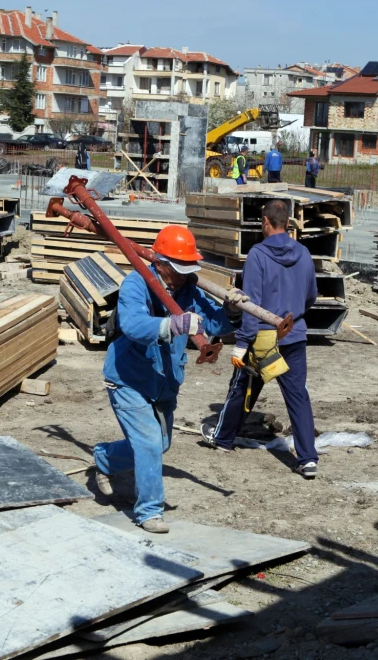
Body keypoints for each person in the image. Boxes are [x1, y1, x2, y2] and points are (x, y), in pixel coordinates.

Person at [93, 225, 248, 533]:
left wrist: (231, 312)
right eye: (179, 268)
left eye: (189, 268)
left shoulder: (188, 288)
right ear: (161, 263)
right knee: (149, 442)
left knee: (161, 444)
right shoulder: (137, 283)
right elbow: (134, 325)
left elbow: (213, 323)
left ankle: (105, 458)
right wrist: (173, 325)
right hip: (129, 378)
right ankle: (149, 511)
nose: (183, 275)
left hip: (165, 378)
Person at [202, 199, 319, 479]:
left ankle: (223, 438)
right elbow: (311, 296)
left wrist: (242, 344)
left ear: (265, 222)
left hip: (263, 340)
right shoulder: (304, 253)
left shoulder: (257, 255)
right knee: (298, 396)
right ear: (288, 223)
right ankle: (307, 459)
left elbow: (249, 303)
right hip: (294, 334)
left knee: (243, 388)